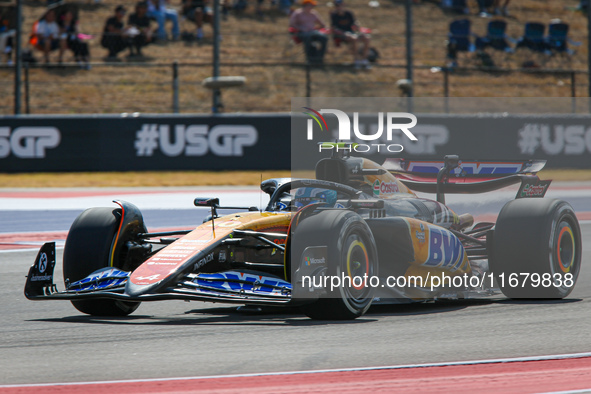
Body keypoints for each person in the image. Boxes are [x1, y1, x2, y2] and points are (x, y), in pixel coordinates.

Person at [330, 0, 371, 69]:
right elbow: (334, 28)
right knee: (354, 39)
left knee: (367, 38)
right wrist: (344, 33)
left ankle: (364, 60)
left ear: (343, 5)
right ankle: (357, 60)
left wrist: (357, 26)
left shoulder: (349, 13)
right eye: (337, 5)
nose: (339, 7)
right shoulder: (334, 15)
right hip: (341, 35)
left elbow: (354, 23)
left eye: (340, 5)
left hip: (352, 33)